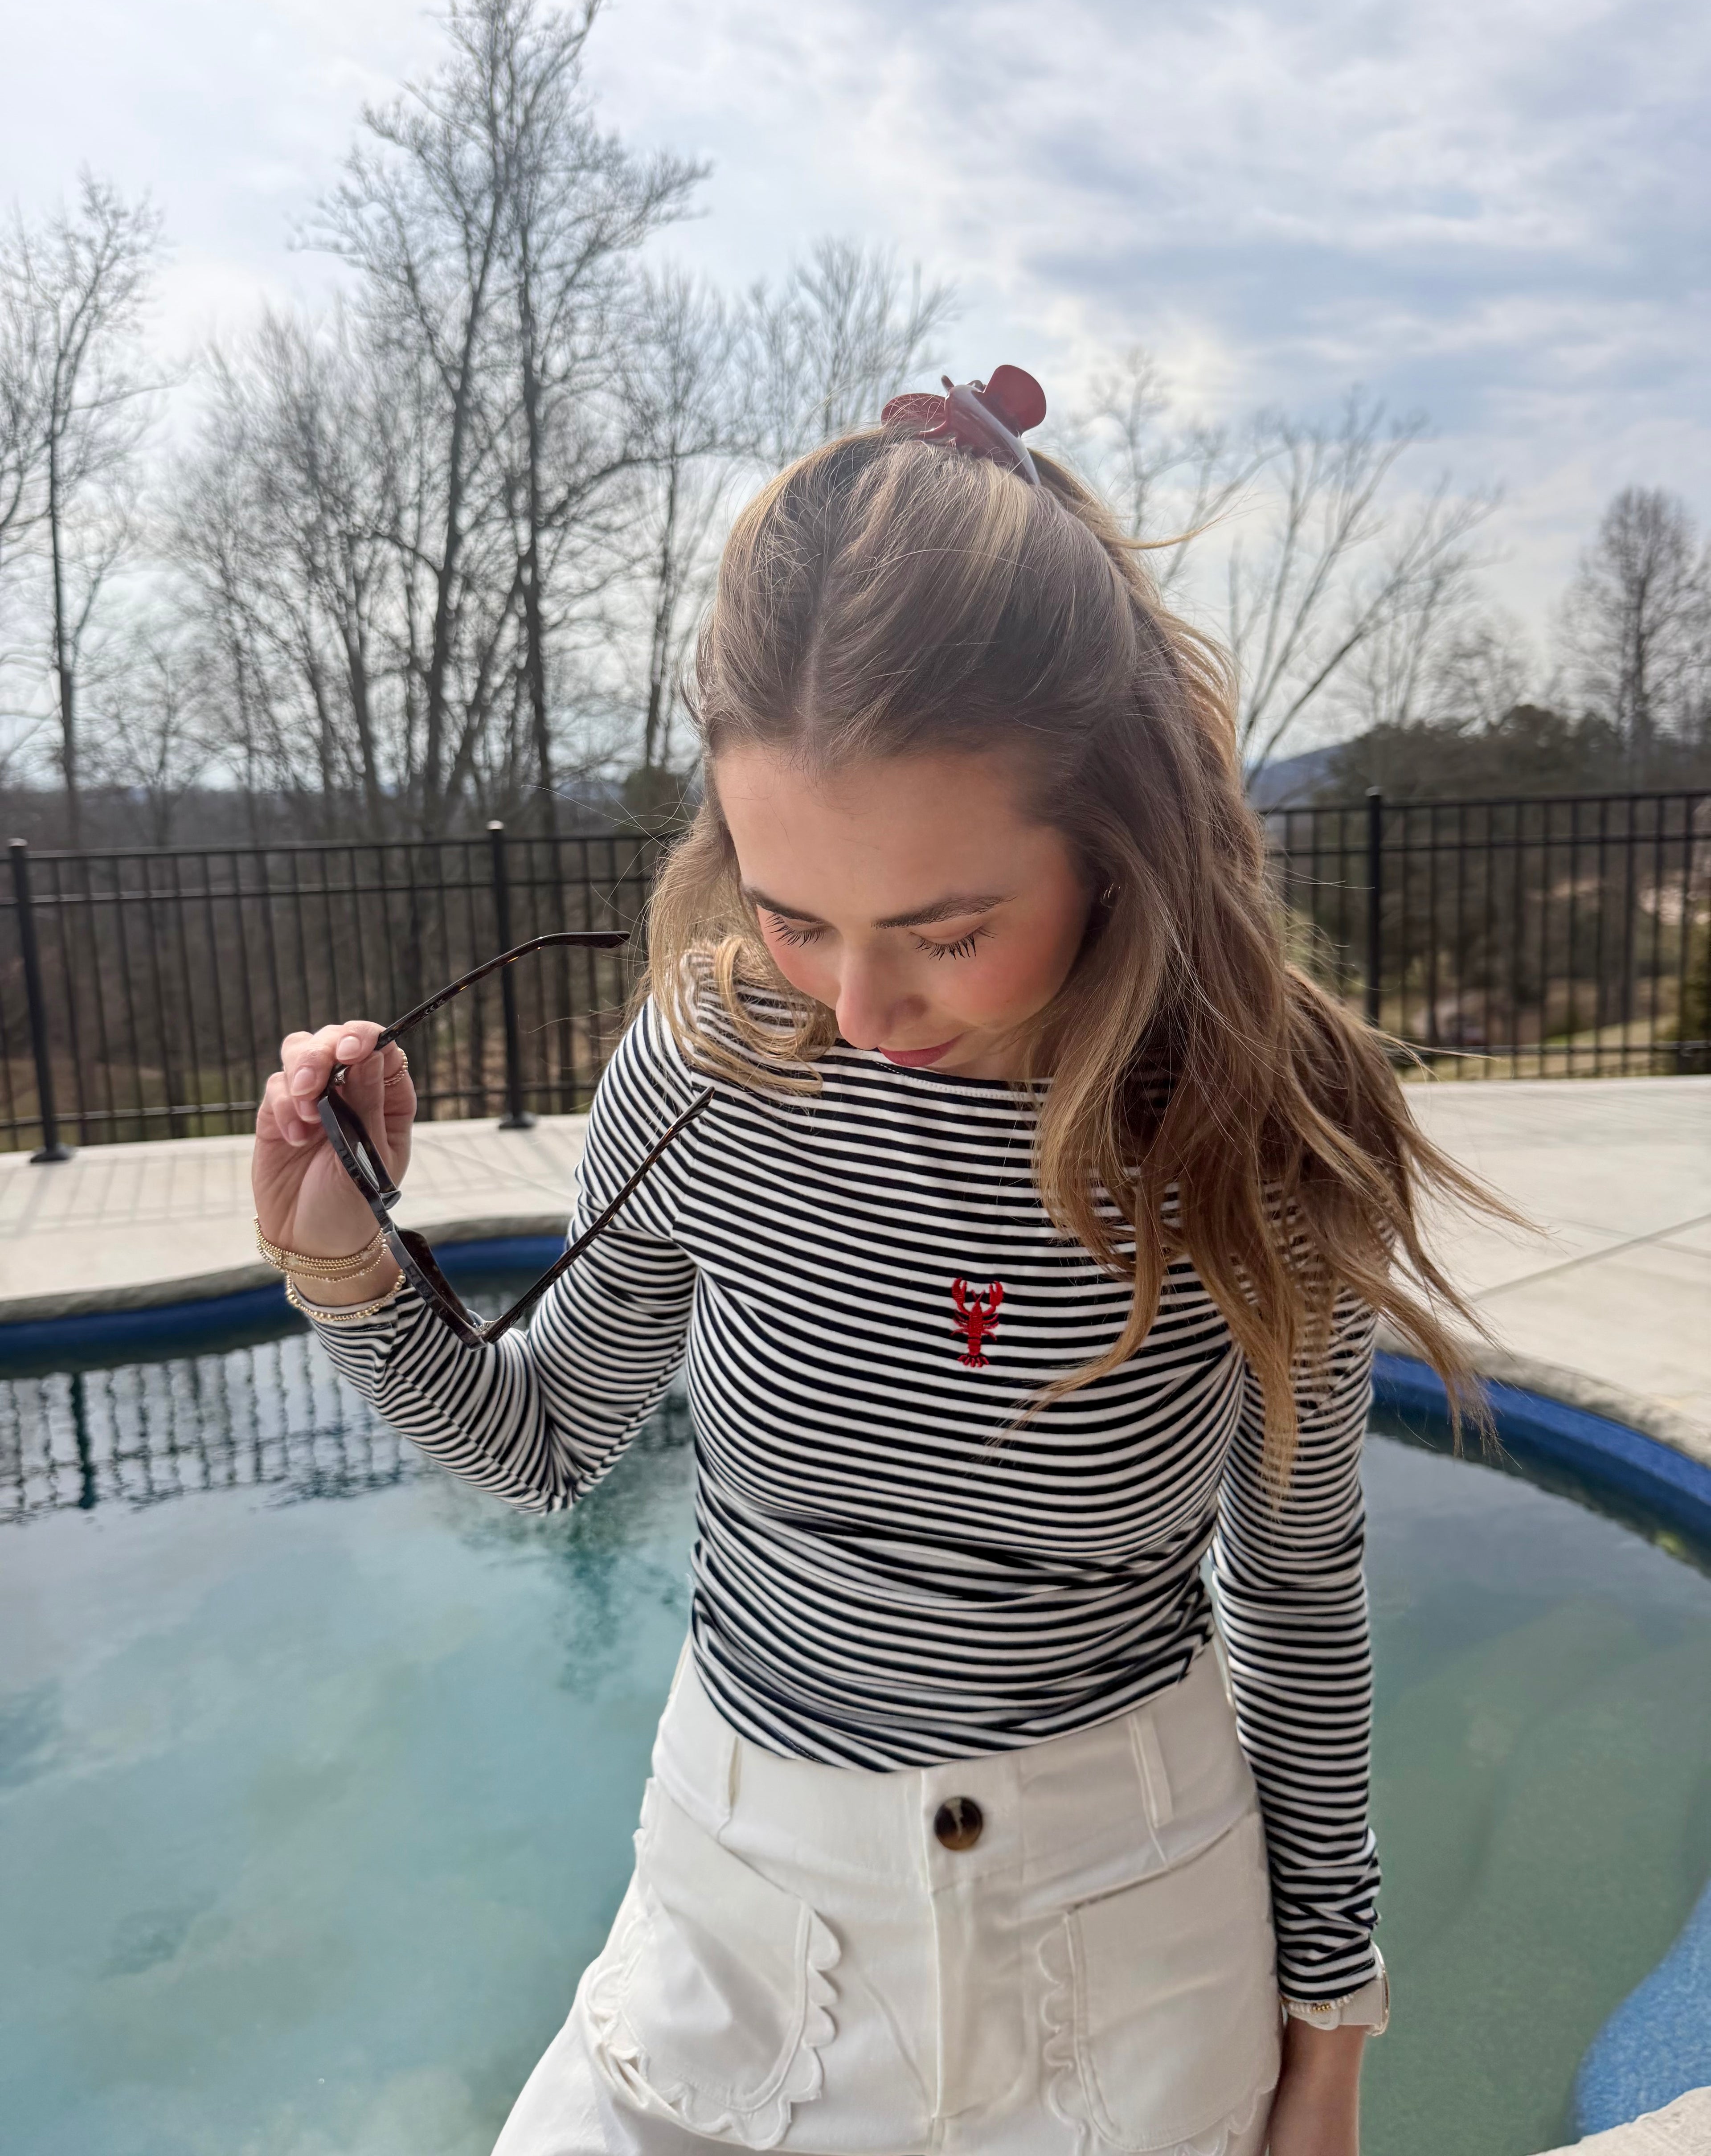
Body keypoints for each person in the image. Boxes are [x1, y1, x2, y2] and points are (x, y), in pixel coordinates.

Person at [251, 369, 1496, 2156]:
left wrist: (1332, 2038)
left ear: (1114, 840)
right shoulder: (716, 1067)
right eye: (791, 909)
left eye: (946, 927)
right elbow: (541, 1444)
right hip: (739, 1921)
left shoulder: (1247, 1135)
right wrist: (341, 1267)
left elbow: (1294, 1601)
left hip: (1132, 1958)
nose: (856, 1002)